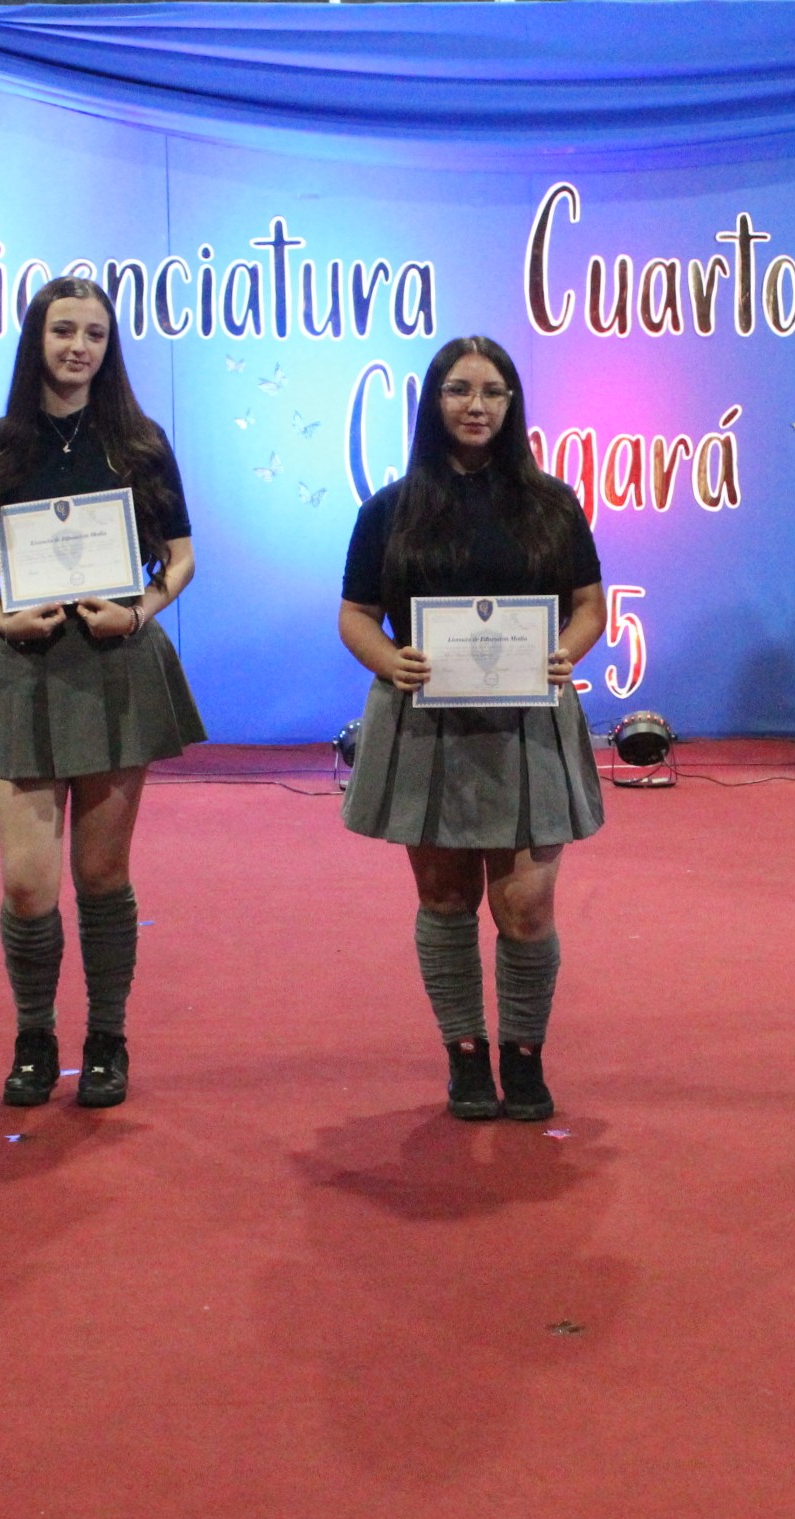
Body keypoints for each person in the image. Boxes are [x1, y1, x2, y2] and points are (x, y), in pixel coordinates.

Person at [0, 276, 205, 1109]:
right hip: (21, 669)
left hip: (115, 668)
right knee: (27, 883)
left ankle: (106, 1038)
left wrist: (139, 611)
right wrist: (0, 616)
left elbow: (181, 558)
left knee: (100, 875)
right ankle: (34, 1036)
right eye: (63, 331)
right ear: (37, 339)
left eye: (94, 333)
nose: (78, 347)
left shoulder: (141, 444)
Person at [338, 336, 607, 1123]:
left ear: (512, 403)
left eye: (492, 392)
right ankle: (463, 1053)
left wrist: (563, 653)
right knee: (445, 898)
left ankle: (524, 1055)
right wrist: (390, 661)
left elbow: (589, 606)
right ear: (433, 402)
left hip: (530, 726)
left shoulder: (552, 503)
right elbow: (355, 616)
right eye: (458, 390)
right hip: (425, 728)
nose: (476, 406)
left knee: (526, 908)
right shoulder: (387, 511)